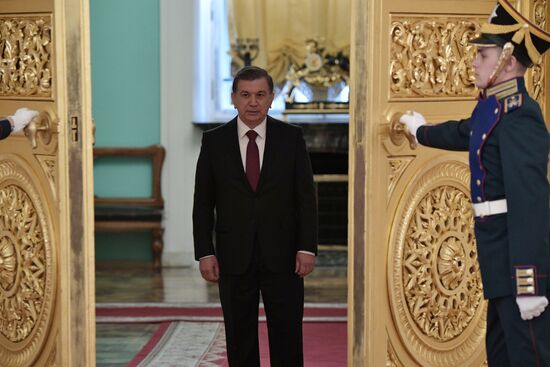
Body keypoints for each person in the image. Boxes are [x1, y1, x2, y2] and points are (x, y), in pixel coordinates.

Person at [400, 1, 550, 365]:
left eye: (483, 54)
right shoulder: (494, 107)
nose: (474, 61)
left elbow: (530, 205)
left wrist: (528, 284)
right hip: (497, 256)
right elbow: (464, 132)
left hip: (517, 266)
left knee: (527, 356)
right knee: (500, 354)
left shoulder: (521, 116)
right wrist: (420, 131)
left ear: (508, 60)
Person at [193, 66, 318, 366]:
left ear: (272, 98)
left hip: (284, 256)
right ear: (233, 97)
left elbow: (306, 197)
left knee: (287, 336)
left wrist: (307, 247)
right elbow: (202, 202)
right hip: (233, 256)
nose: (253, 102)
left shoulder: (291, 138)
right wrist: (204, 253)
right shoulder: (214, 142)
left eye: (260, 95)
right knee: (239, 338)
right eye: (245, 95)